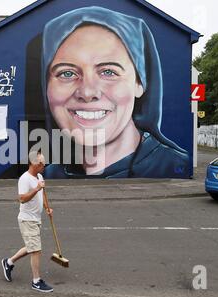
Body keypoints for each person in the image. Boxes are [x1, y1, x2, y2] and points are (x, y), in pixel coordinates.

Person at [41, 6, 190, 179]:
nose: (87, 92)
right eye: (67, 73)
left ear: (139, 83)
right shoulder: (48, 175)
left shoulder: (175, 167)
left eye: (108, 72)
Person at [1, 151, 54, 293]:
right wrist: (37, 188)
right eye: (42, 163)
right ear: (33, 164)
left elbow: (41, 194)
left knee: (31, 246)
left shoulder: (39, 176)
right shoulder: (24, 179)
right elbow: (22, 198)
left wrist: (47, 207)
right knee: (36, 250)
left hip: (36, 218)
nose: (44, 165)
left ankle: (9, 262)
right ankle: (36, 281)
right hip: (27, 219)